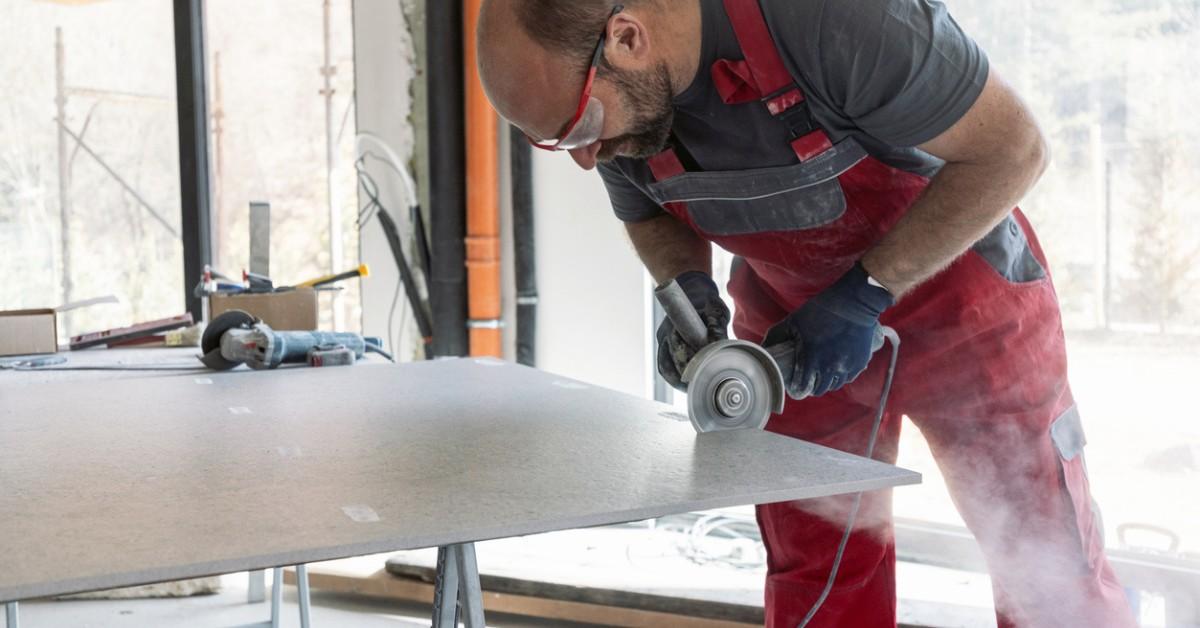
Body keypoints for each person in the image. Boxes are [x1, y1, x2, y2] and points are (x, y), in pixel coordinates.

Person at [476, 0, 1137, 625]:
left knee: (1043, 553)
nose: (589, 157)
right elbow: (648, 210)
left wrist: (867, 290)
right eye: (555, 143)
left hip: (966, 309)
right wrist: (684, 291)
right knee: (815, 560)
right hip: (793, 330)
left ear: (626, 37)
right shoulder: (620, 116)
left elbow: (1015, 150)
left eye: (578, 130)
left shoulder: (837, 19)